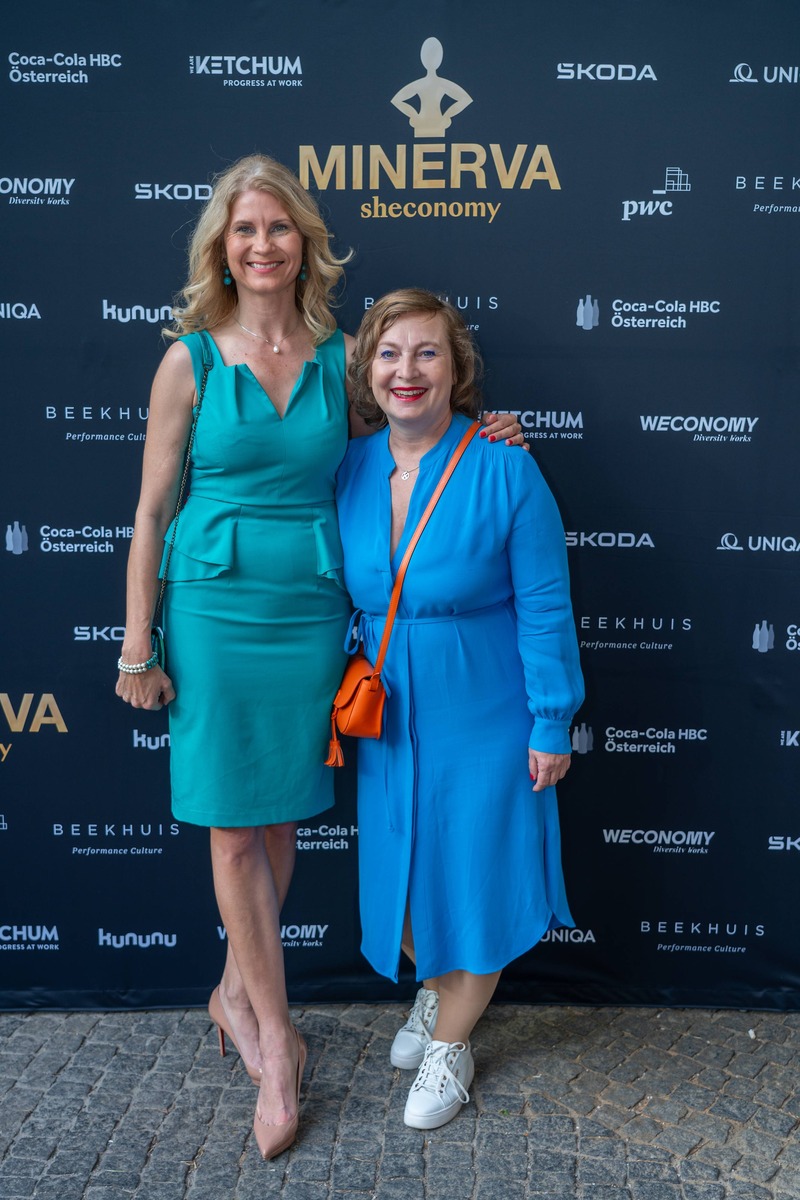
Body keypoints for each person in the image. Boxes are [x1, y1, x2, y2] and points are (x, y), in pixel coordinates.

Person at [114, 156, 523, 1159]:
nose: (262, 245)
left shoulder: (342, 358)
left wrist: (487, 435)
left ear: (304, 244)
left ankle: (231, 991)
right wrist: (137, 642)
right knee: (230, 828)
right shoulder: (187, 362)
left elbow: (410, 434)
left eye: (279, 228)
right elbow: (152, 510)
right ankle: (274, 1042)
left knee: (281, 818)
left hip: (308, 608)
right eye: (244, 229)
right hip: (212, 610)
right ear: (222, 248)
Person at [335, 289, 584, 1130]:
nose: (406, 370)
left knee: (474, 879)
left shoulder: (505, 466)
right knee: (405, 886)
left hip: (485, 710)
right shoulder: (350, 467)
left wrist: (551, 719)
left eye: (427, 352)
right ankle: (439, 995)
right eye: (389, 353)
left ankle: (452, 1042)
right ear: (369, 371)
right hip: (389, 715)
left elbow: (545, 604)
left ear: (457, 367)